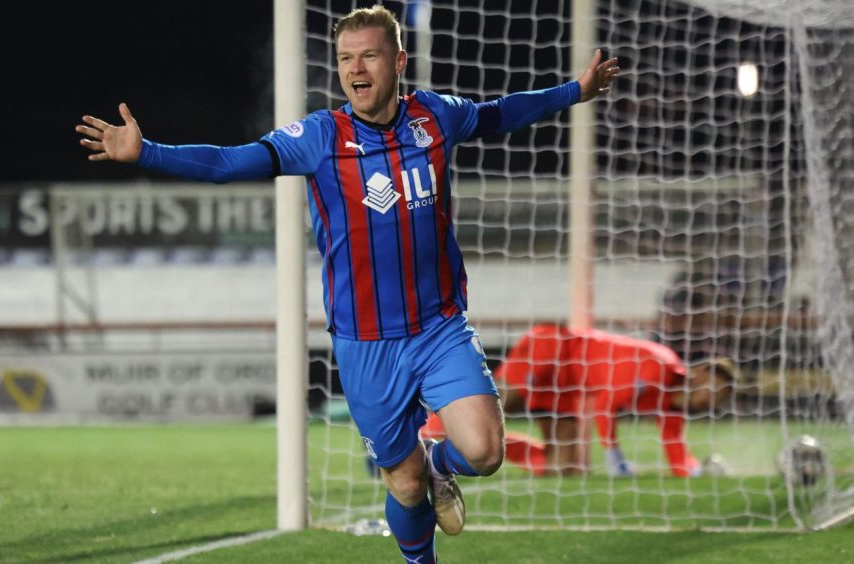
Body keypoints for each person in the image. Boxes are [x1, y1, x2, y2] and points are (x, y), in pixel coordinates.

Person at [76, 7, 618, 562]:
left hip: (439, 327)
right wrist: (146, 151)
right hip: (365, 345)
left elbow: (499, 113)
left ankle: (441, 464)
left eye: (369, 55)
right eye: (345, 58)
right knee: (404, 485)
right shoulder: (319, 137)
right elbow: (229, 162)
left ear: (398, 61)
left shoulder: (433, 117)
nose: (355, 69)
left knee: (484, 450)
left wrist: (574, 91)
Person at [444, 324, 733, 477]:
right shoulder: (659, 366)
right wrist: (613, 456)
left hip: (568, 385)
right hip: (555, 349)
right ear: (701, 373)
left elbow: (677, 454)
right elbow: (606, 404)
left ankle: (464, 441)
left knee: (562, 468)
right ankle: (433, 427)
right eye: (715, 389)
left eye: (720, 398)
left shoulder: (673, 408)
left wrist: (697, 472)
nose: (714, 401)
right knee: (496, 406)